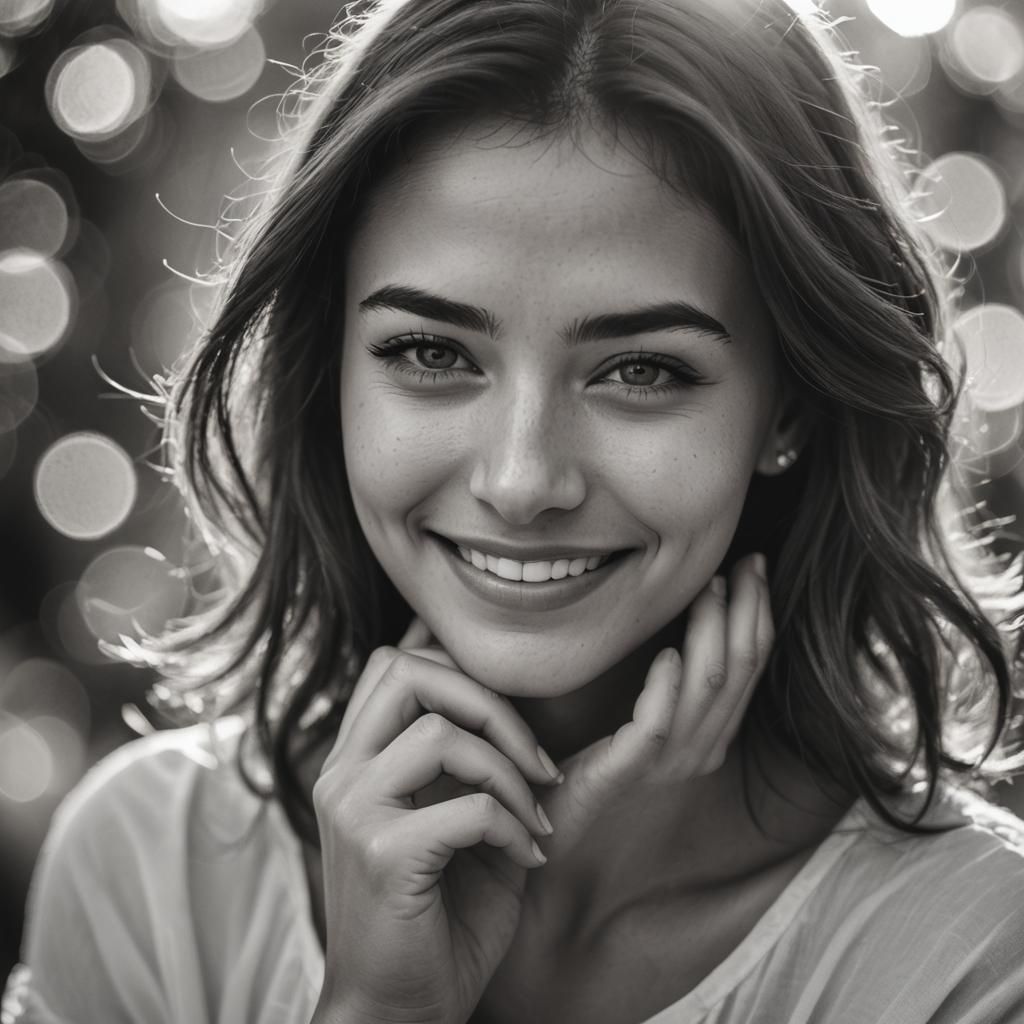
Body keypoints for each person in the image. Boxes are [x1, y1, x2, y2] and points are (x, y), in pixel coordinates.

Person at [6, 0, 1024, 1021]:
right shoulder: (154, 868)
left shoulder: (969, 950)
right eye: (432, 353)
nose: (522, 478)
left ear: (788, 402)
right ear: (331, 375)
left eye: (641, 369)